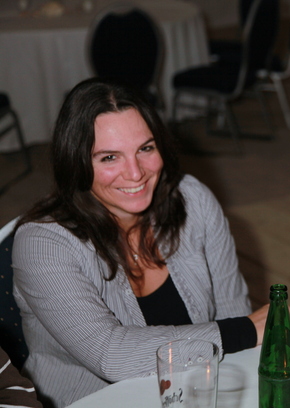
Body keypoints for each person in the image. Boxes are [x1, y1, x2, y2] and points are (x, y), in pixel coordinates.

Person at [11, 78, 272, 407]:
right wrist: (239, 332)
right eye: (109, 157)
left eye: (145, 148)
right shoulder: (43, 244)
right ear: (76, 162)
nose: (135, 173)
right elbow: (111, 355)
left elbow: (233, 312)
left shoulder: (193, 201)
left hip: (194, 396)